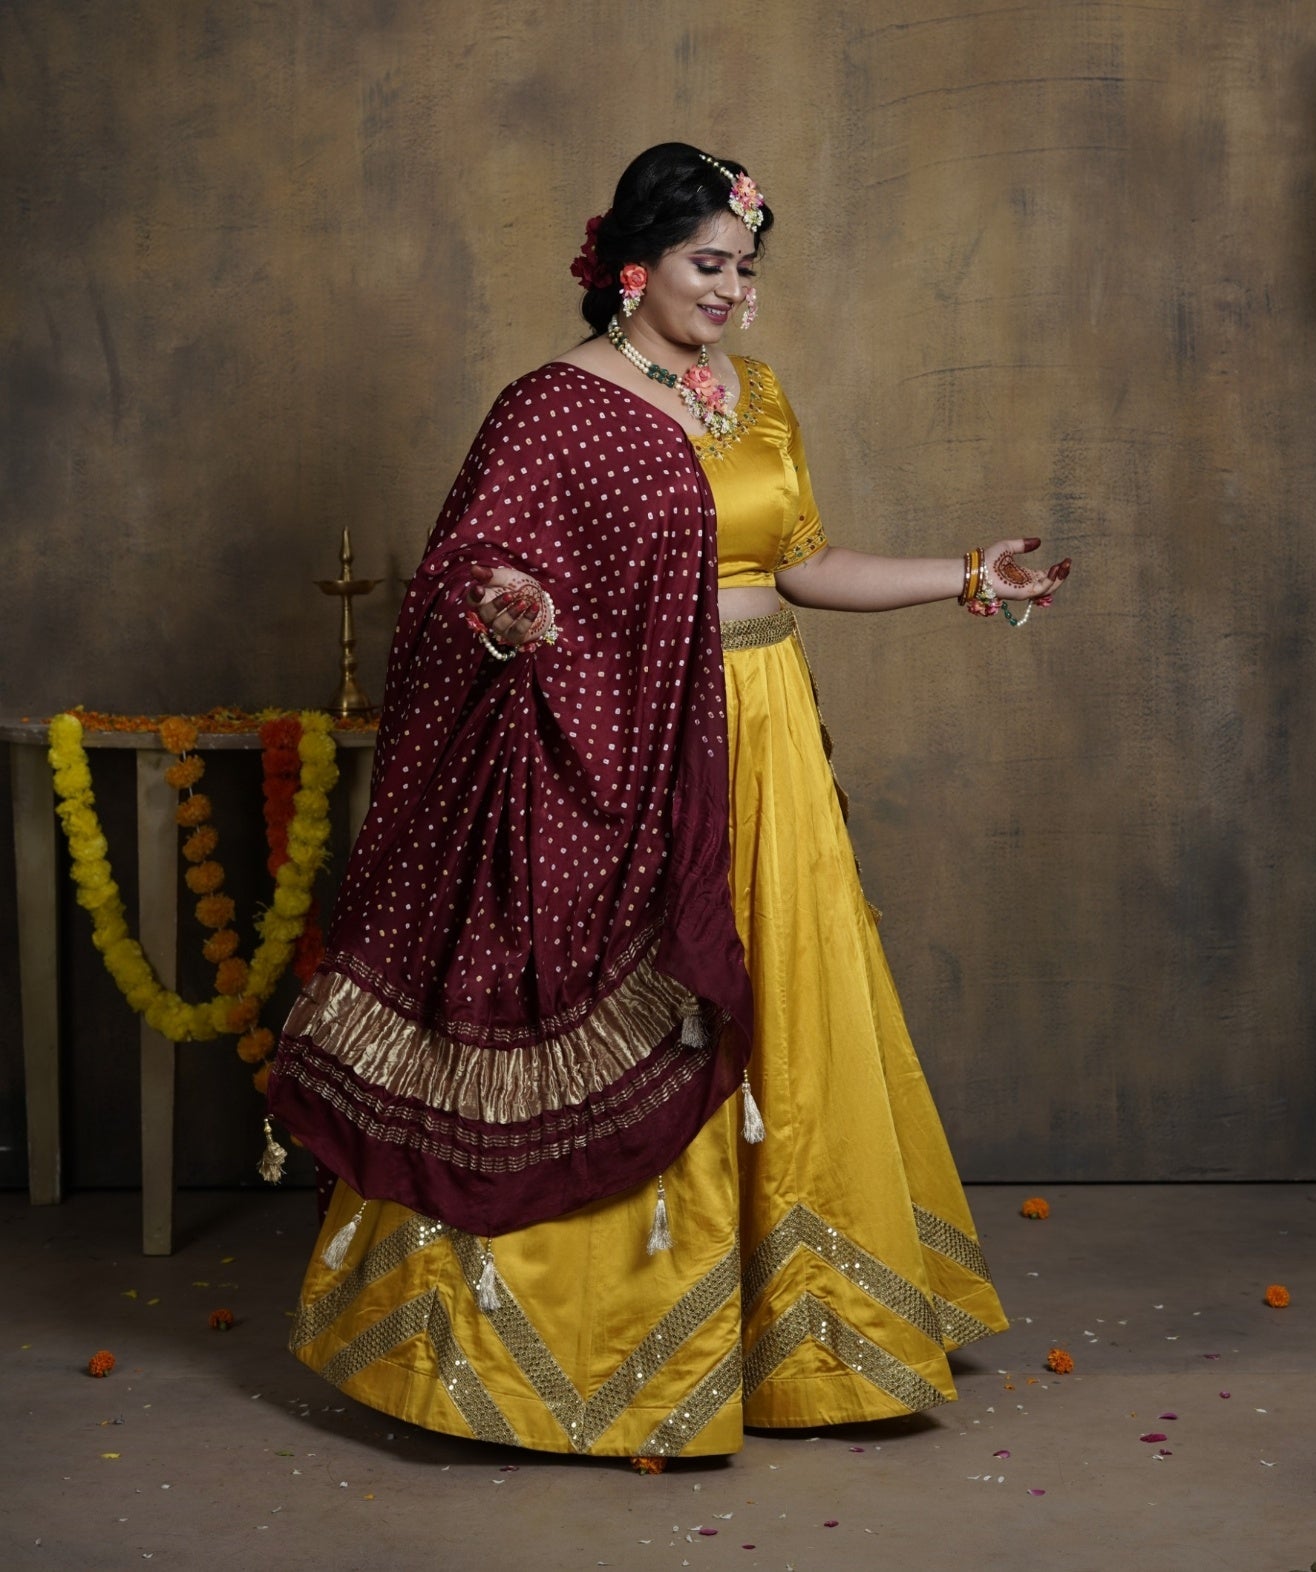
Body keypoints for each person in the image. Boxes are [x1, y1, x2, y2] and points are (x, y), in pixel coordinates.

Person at [266, 142, 1070, 1464]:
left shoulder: (757, 400)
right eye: (709, 265)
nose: (733, 293)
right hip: (631, 748)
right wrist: (510, 614)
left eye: (746, 269)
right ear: (633, 265)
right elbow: (472, 566)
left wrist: (966, 576)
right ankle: (605, 1358)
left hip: (766, 751)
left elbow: (805, 571)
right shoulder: (554, 406)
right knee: (652, 1011)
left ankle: (804, 1345)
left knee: (787, 1019)